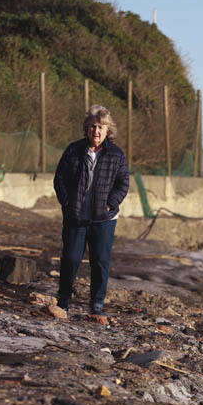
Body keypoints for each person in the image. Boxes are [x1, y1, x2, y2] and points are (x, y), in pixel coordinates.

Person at [53, 105, 129, 320]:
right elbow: (59, 179)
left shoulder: (116, 154)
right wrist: (67, 203)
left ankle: (96, 304)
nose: (96, 131)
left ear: (108, 131)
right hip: (75, 216)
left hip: (104, 219)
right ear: (87, 128)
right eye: (93, 127)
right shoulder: (73, 150)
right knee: (71, 258)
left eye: (101, 127)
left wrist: (110, 204)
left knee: (101, 261)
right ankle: (63, 300)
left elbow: (123, 183)